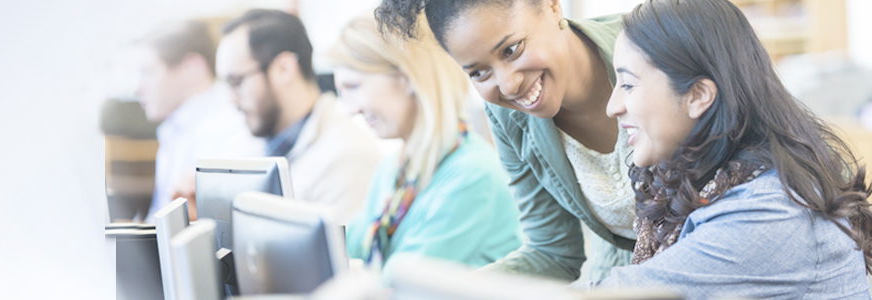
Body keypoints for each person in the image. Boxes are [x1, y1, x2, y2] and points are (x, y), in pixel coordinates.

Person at [586, 0, 872, 298]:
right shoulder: (705, 183)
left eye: (628, 85)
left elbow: (623, 294)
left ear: (698, 95)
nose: (612, 107)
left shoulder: (770, 210)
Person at [376, 0, 634, 280]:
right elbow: (554, 252)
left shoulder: (655, 43)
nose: (509, 85)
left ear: (552, 6)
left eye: (511, 50)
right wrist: (459, 289)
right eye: (479, 72)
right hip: (620, 275)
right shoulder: (506, 116)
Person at [330, 15, 524, 268]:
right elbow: (351, 244)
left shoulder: (473, 175)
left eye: (353, 87)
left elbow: (399, 285)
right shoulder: (394, 169)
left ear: (408, 77)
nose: (349, 109)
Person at [216, 9, 382, 224]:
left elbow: (339, 256)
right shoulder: (253, 142)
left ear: (284, 69)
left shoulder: (347, 158)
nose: (230, 99)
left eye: (237, 82)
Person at [133, 20, 264, 223]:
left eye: (148, 72)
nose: (137, 88)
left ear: (192, 68)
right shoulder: (174, 127)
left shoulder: (230, 131)